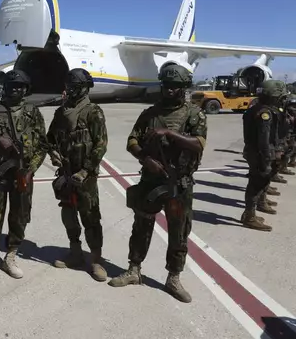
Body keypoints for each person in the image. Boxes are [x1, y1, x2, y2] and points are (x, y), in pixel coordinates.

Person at [107, 64, 206, 303]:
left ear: (183, 88)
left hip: (178, 183)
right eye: (166, 85)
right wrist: (145, 158)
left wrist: (171, 134)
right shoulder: (149, 114)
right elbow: (132, 140)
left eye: (175, 86)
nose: (169, 90)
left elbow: (199, 143)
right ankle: (134, 269)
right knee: (141, 226)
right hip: (151, 180)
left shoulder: (194, 114)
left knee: (178, 231)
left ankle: (173, 277)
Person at [0, 69, 48, 285]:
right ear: (4, 87)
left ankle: (11, 255)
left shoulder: (32, 112)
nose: (15, 89)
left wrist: (31, 168)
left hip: (22, 173)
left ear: (25, 89)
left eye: (20, 86)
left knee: (20, 215)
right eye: (12, 85)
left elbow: (42, 144)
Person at [47, 68, 108, 282]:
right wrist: (53, 154)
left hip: (86, 176)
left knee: (91, 217)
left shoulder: (93, 112)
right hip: (66, 173)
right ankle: (75, 252)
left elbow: (101, 145)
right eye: (68, 87)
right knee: (68, 214)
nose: (70, 91)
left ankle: (96, 260)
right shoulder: (61, 112)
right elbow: (50, 139)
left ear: (84, 88)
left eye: (74, 87)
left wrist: (86, 170)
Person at [240, 80, 288, 227]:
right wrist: (268, 158)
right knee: (256, 183)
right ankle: (249, 216)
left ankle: (256, 208)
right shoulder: (265, 113)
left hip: (256, 152)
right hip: (260, 153)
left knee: (260, 181)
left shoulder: (258, 109)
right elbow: (264, 139)